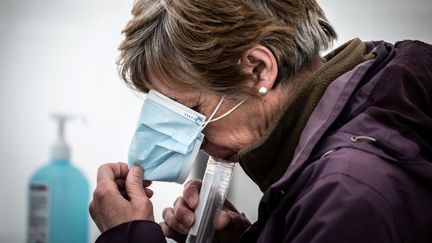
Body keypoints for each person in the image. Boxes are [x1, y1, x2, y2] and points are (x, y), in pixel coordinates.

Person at [89, 0, 432, 242]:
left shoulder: (348, 191)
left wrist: (128, 237)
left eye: (188, 109)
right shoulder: (355, 127)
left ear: (258, 69)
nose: (186, 139)